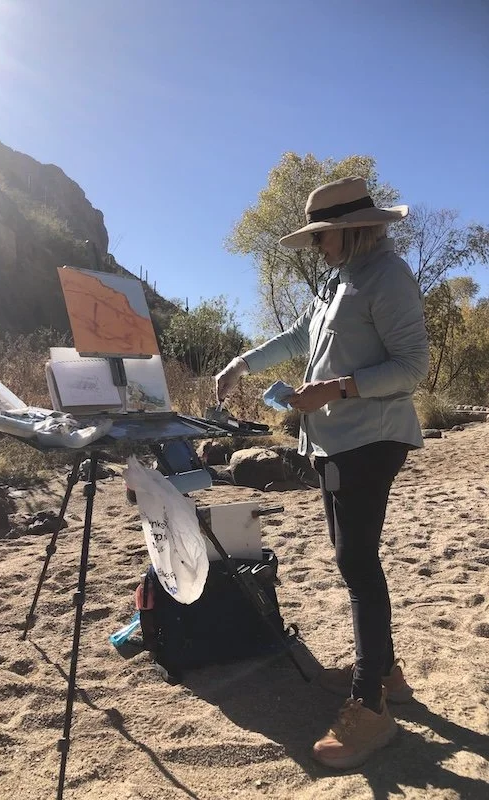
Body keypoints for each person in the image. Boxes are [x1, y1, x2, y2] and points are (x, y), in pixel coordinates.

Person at [215, 176, 429, 769]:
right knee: (350, 557)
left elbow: (413, 365)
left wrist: (335, 388)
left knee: (356, 563)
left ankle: (371, 707)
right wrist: (240, 362)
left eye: (322, 236)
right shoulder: (340, 280)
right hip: (336, 442)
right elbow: (297, 336)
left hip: (371, 439)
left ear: (351, 230)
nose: (316, 247)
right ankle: (386, 673)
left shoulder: (388, 277)